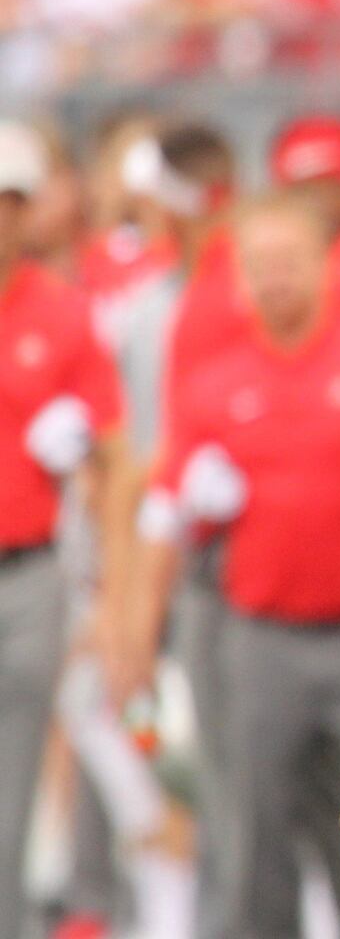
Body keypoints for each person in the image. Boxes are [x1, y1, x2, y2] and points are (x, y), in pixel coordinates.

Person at [126, 193, 340, 939]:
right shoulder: (214, 380)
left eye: (289, 262)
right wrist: (141, 629)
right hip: (258, 638)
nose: (275, 279)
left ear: (323, 265)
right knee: (249, 835)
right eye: (260, 266)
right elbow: (165, 508)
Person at [0, 118, 128, 939]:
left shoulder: (63, 311)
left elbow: (114, 451)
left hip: (31, 570)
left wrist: (111, 583)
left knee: (15, 778)